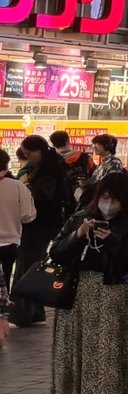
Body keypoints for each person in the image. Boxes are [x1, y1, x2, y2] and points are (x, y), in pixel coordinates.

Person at [46, 170, 128, 394]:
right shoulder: (81, 217)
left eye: (114, 199)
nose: (108, 203)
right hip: (74, 292)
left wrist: (113, 240)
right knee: (69, 352)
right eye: (104, 197)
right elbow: (56, 252)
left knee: (105, 353)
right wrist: (78, 235)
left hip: (110, 293)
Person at [10, 135, 71, 325]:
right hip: (42, 225)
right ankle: (34, 311)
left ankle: (23, 313)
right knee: (32, 265)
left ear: (40, 151)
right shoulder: (49, 167)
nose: (28, 157)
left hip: (39, 225)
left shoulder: (49, 170)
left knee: (27, 267)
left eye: (29, 153)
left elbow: (44, 196)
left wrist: (23, 187)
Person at [0, 153, 33, 296]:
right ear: (6, 166)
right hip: (10, 241)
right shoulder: (18, 186)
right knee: (4, 282)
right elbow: (28, 216)